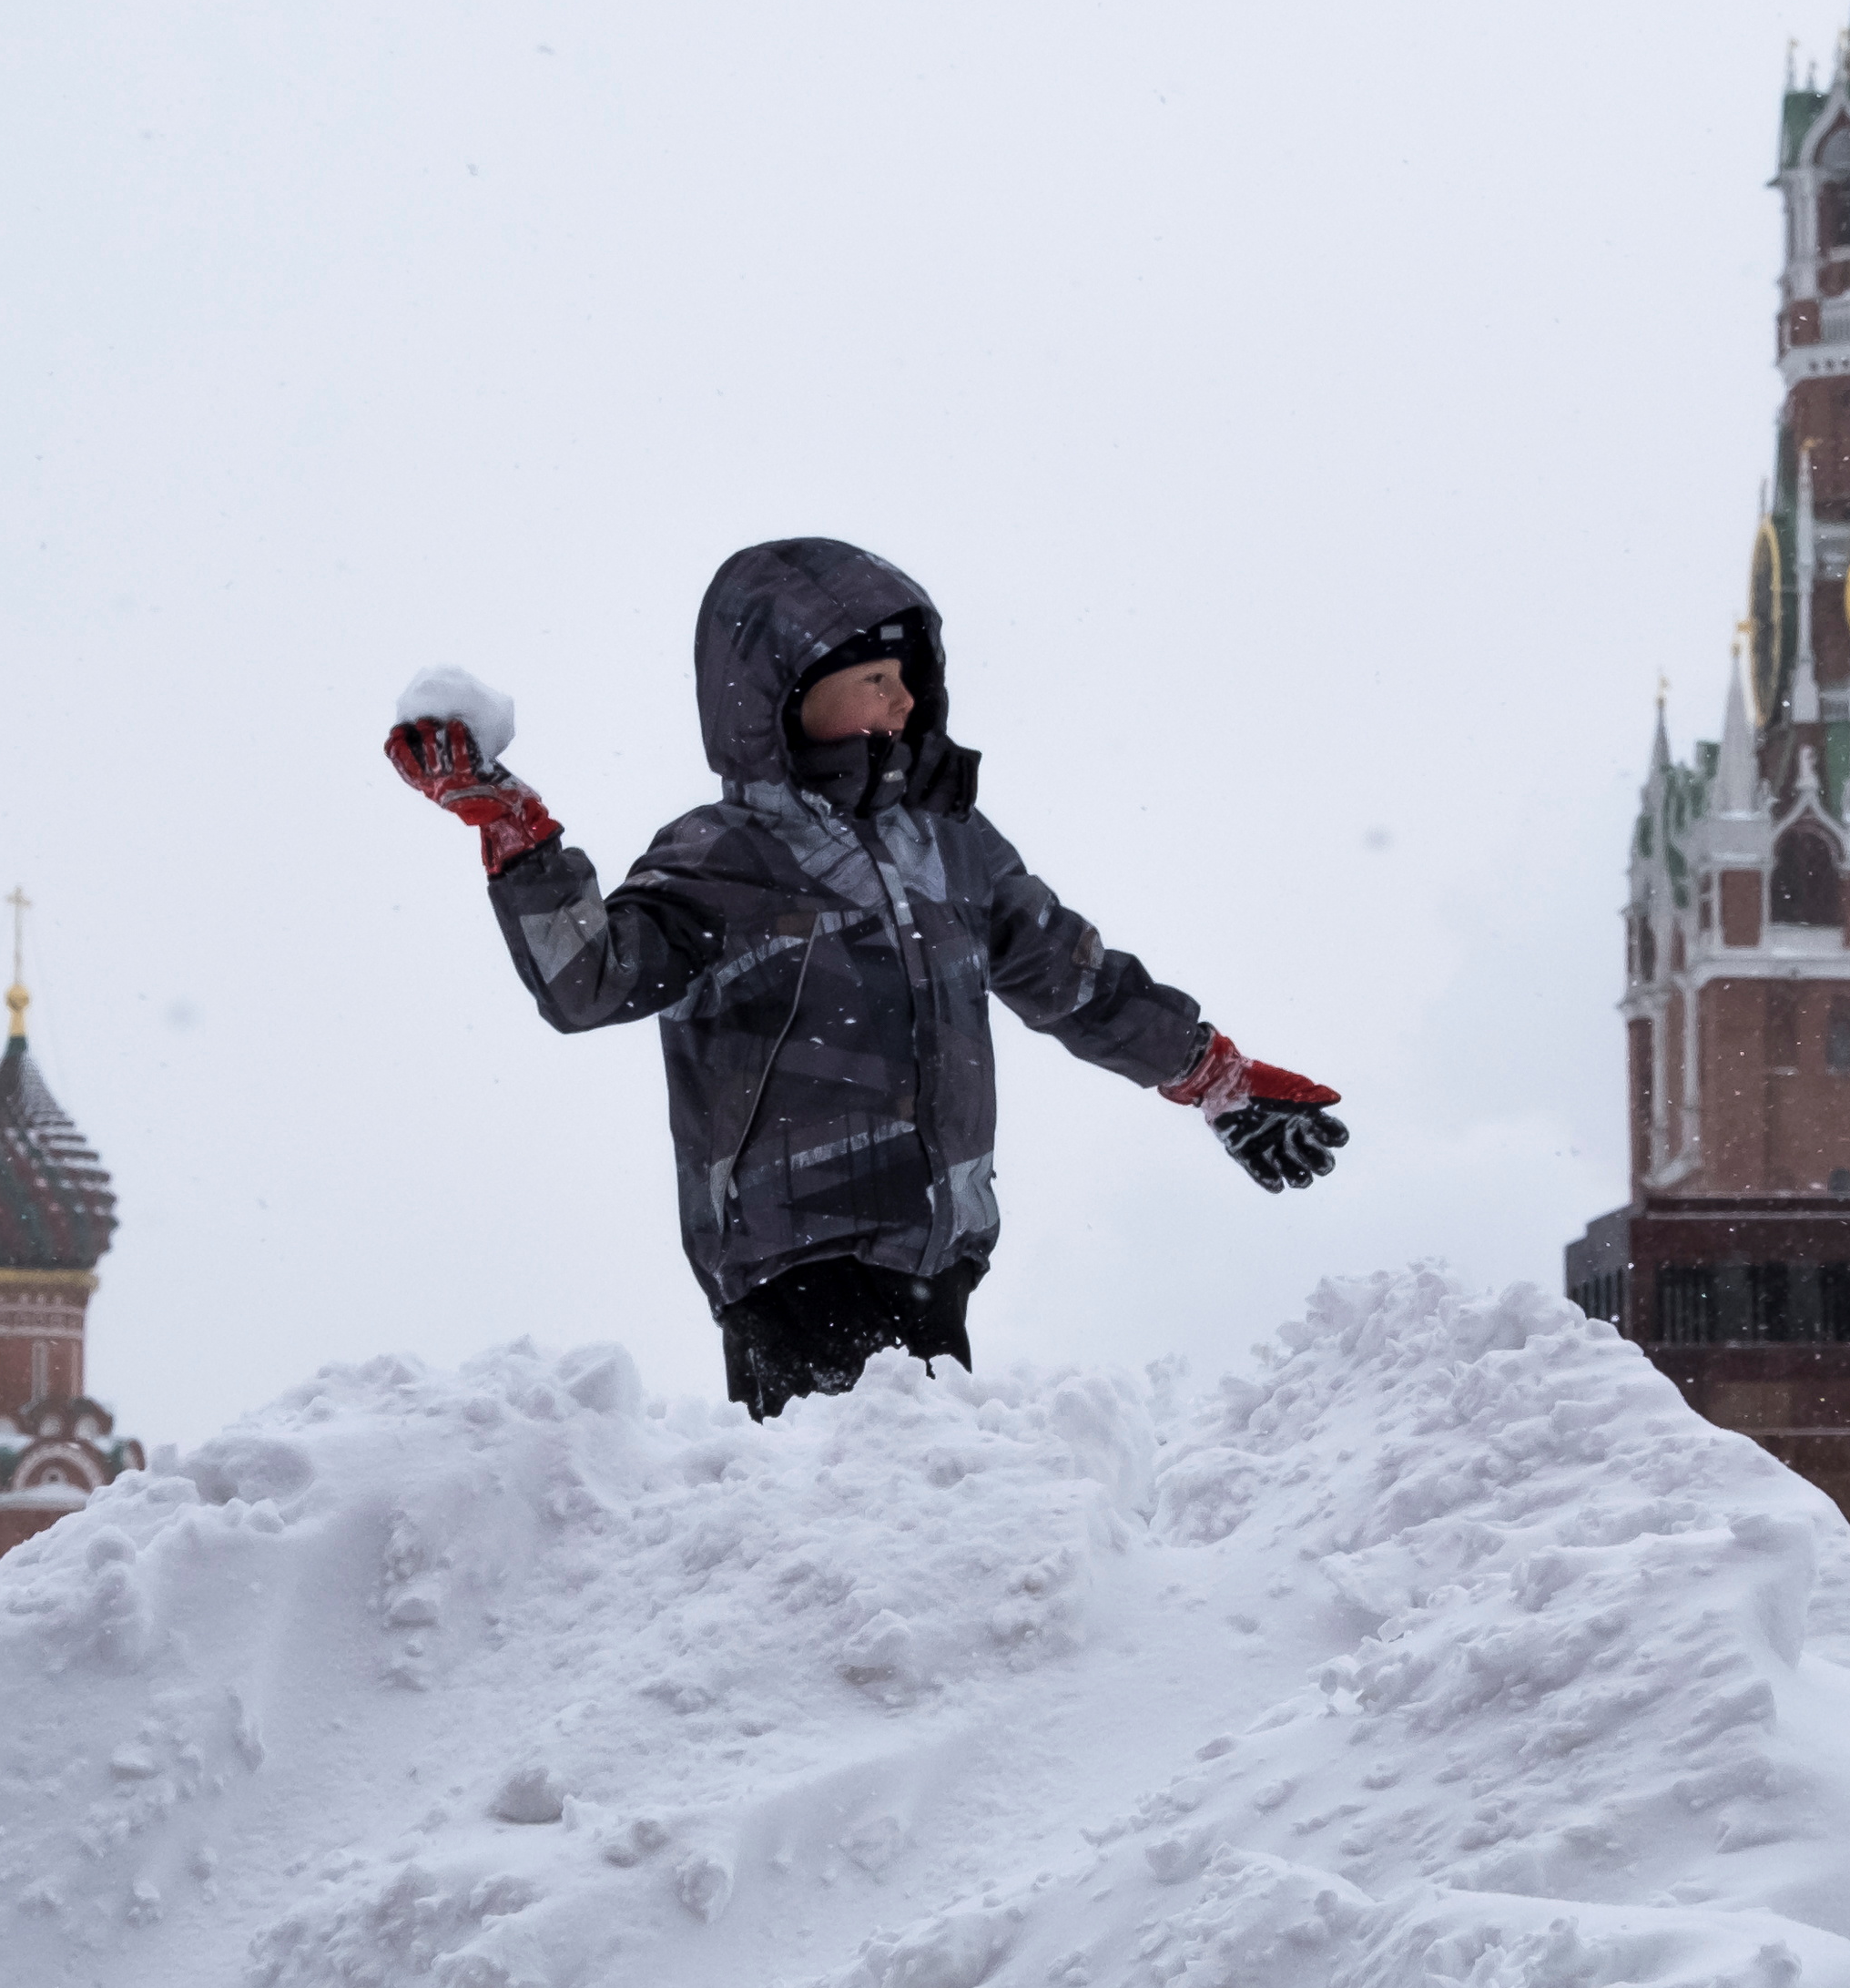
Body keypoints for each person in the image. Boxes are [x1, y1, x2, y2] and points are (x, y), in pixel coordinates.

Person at [384, 535, 1344, 1416]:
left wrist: (1213, 1075)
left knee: (924, 1532)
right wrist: (513, 830)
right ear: (778, 694)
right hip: (789, 1262)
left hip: (938, 1249)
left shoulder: (951, 849)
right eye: (877, 677)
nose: (904, 700)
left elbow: (1076, 978)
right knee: (840, 1527)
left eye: (909, 677)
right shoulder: (724, 855)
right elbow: (588, 982)